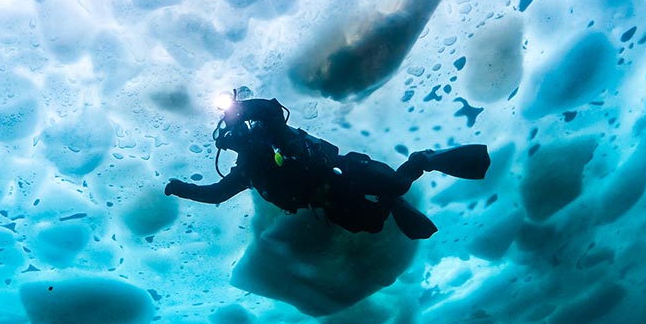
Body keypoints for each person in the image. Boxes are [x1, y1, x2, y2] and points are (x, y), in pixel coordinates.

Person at [164, 91, 490, 239]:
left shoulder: (273, 132)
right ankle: (392, 203)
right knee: (374, 224)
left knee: (398, 184)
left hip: (343, 172)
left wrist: (240, 107)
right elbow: (215, 193)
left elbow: (272, 111)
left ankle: (423, 159)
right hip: (327, 201)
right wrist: (181, 189)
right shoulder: (246, 170)